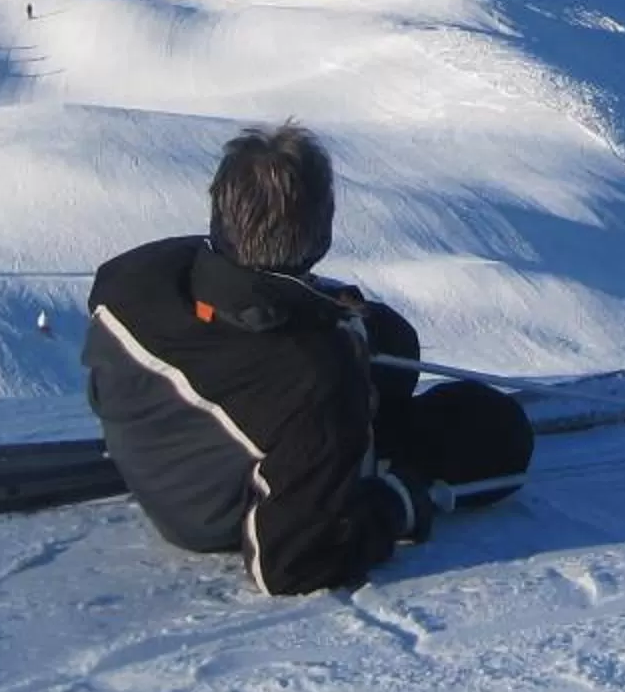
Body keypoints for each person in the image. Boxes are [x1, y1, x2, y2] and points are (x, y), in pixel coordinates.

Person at [84, 122, 532, 595]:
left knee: (388, 335)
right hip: (210, 514)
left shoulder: (133, 275)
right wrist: (395, 505)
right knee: (494, 431)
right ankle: (370, 453)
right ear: (320, 237)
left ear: (220, 209)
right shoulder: (313, 375)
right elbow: (289, 566)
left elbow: (233, 307)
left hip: (154, 438)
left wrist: (320, 308)